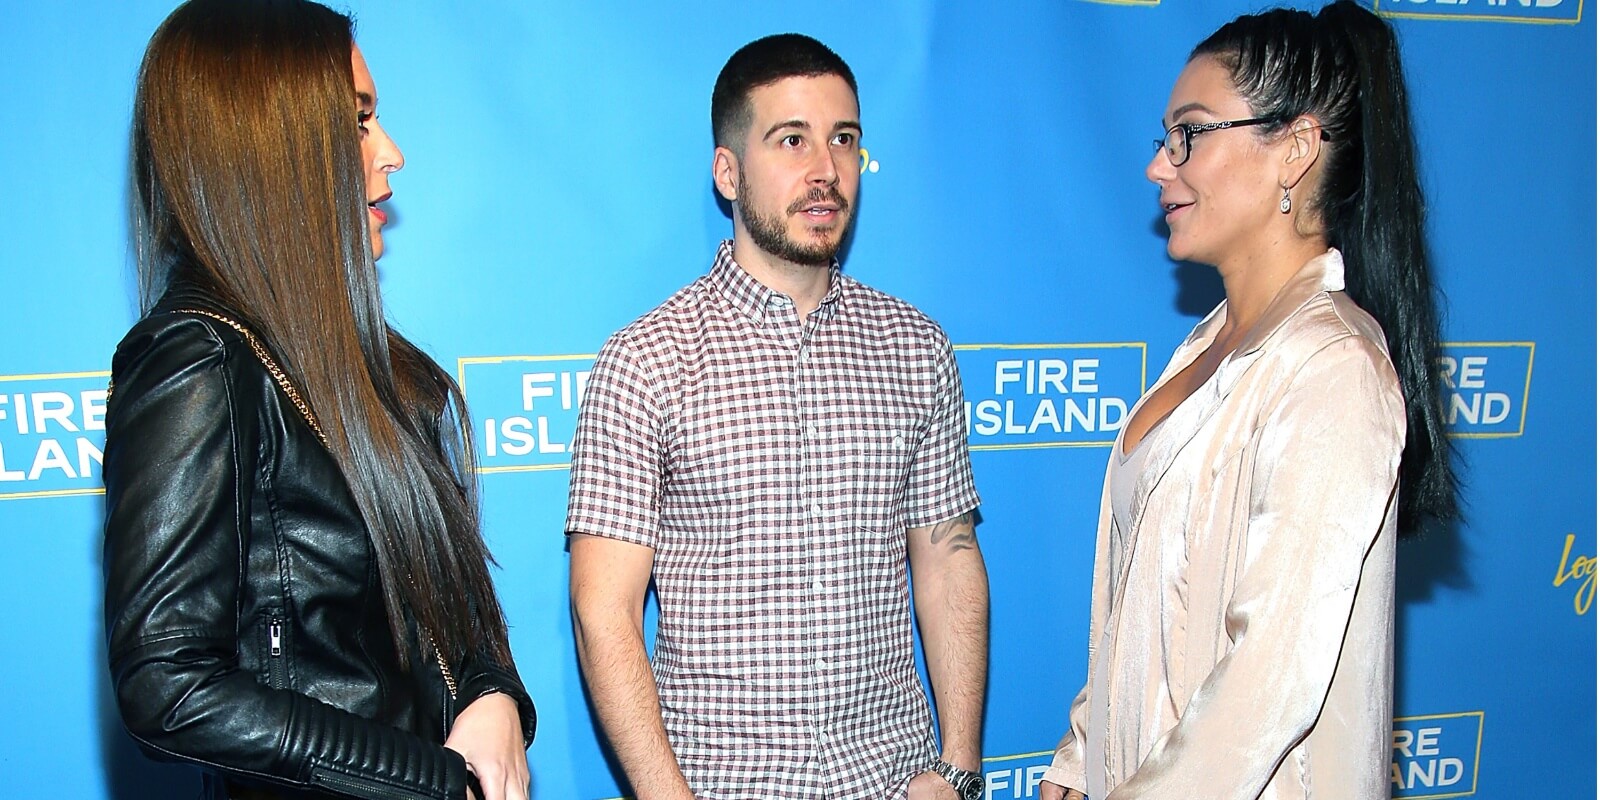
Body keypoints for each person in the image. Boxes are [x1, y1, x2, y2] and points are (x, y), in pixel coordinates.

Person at [102, 2, 535, 799]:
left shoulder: (381, 374)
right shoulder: (197, 359)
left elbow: (448, 613)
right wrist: (428, 776)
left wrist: (494, 693)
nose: (394, 154)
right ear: (273, 146)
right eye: (359, 121)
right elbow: (168, 686)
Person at [1041, 3, 1458, 799]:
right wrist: (1082, 750)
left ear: (1295, 150)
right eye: (1164, 139)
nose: (1159, 168)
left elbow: (1267, 683)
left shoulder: (1333, 365)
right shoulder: (1205, 345)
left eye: (1188, 135)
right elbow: (1150, 605)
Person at [565, 33, 989, 800]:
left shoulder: (915, 347)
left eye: (844, 139)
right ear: (728, 173)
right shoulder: (646, 360)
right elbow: (605, 611)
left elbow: (949, 559)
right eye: (791, 139)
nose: (825, 169)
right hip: (720, 784)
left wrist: (957, 768)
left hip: (894, 780)